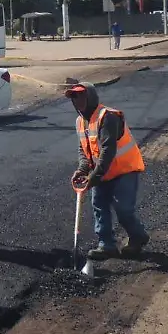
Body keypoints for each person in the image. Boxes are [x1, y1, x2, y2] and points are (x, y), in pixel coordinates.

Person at [66, 82, 150, 260]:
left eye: (80, 95)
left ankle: (138, 237)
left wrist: (94, 177)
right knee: (99, 206)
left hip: (124, 170)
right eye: (73, 97)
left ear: (90, 96)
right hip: (102, 172)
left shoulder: (108, 117)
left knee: (123, 209)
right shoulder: (80, 122)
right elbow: (84, 150)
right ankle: (106, 245)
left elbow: (108, 150)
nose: (77, 100)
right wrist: (82, 169)